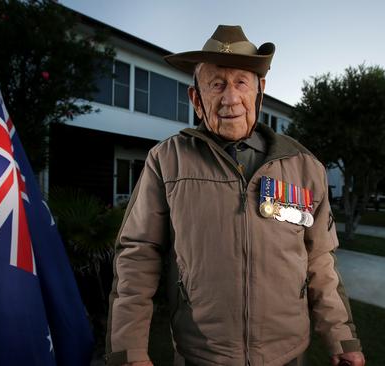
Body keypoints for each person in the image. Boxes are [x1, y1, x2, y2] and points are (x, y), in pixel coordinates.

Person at [105, 25, 365, 366]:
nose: (230, 98)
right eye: (216, 84)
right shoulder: (167, 161)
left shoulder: (305, 166)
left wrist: (341, 339)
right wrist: (129, 350)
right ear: (196, 99)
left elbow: (319, 261)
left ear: (260, 92)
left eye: (241, 82)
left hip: (287, 354)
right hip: (201, 354)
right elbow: (138, 257)